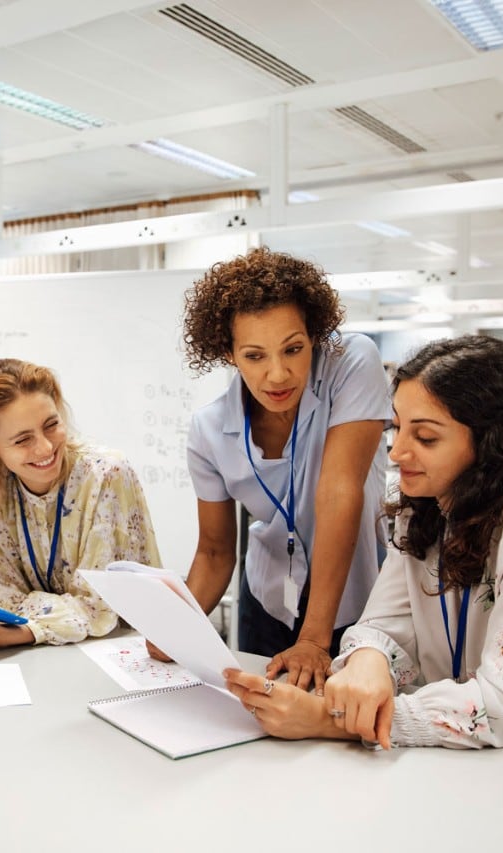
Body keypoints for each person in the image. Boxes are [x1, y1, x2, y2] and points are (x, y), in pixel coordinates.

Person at [225, 335, 503, 748]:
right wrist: (369, 660)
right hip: (470, 747)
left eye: (426, 438)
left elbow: (500, 706)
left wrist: (332, 718)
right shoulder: (427, 505)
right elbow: (383, 624)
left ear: (492, 443)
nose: (396, 452)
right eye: (396, 427)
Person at [173, 247, 389, 690]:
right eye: (255, 356)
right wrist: (177, 630)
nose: (277, 375)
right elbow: (214, 553)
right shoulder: (210, 429)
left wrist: (313, 638)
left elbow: (339, 491)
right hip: (268, 598)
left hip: (355, 593)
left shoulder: (351, 363)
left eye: (293, 348)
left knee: (342, 728)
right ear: (228, 353)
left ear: (314, 335)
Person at [0, 358, 161, 649]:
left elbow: (98, 607)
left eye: (51, 425)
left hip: (122, 653)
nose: (45, 448)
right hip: (40, 654)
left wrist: (14, 632)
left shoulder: (105, 474)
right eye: (22, 440)